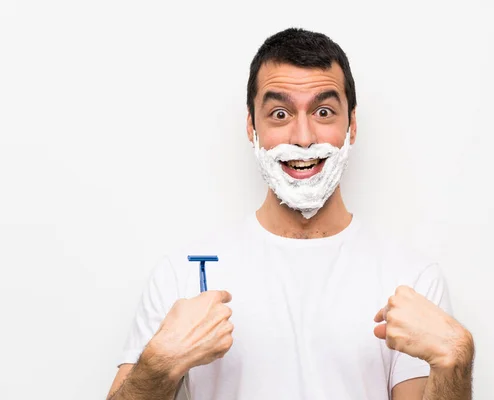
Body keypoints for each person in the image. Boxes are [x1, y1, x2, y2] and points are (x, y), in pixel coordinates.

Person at [107, 27, 474, 400]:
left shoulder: (411, 279)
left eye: (324, 111)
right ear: (252, 127)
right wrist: (159, 363)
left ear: (352, 126)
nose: (302, 137)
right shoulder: (182, 273)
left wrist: (455, 361)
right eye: (279, 113)